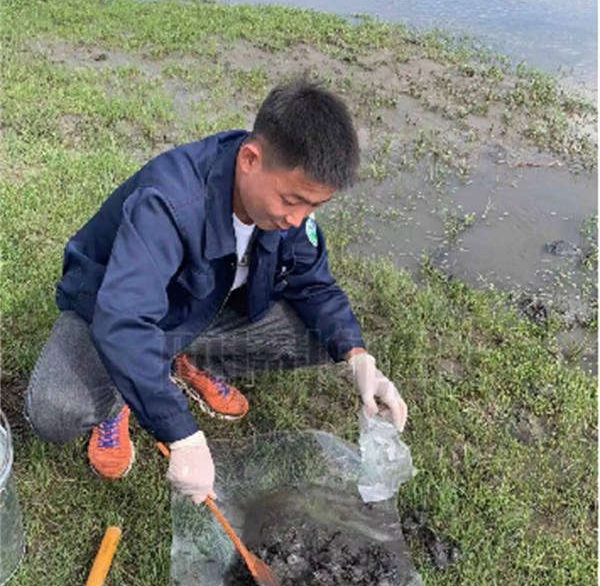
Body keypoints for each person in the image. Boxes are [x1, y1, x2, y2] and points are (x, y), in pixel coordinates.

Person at [24, 78, 408, 503]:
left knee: (324, 335)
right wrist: (183, 436)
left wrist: (359, 359)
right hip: (112, 309)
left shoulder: (286, 211)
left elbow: (314, 285)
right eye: (291, 200)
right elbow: (123, 320)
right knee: (57, 411)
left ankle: (183, 362)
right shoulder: (168, 203)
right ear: (250, 159)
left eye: (314, 206)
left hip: (198, 310)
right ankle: (124, 394)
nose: (298, 220)